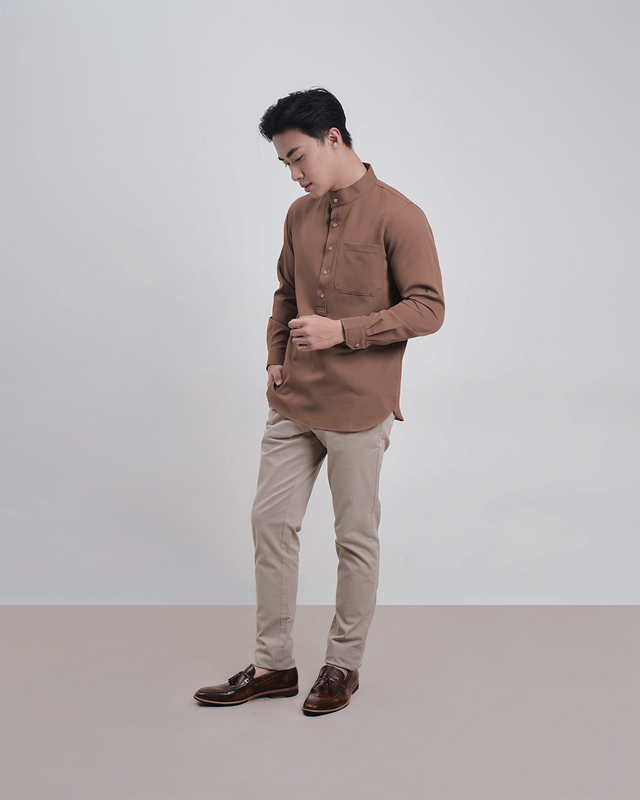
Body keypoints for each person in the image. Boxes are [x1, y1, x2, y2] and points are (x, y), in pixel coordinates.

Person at [194, 87, 444, 716]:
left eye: (298, 157)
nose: (294, 173)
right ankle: (273, 665)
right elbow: (286, 292)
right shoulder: (298, 216)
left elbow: (428, 308)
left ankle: (342, 665)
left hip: (360, 407)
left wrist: (344, 332)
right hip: (294, 402)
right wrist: (275, 355)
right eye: (284, 163)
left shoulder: (400, 215)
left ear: (333, 137)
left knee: (353, 538)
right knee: (270, 525)